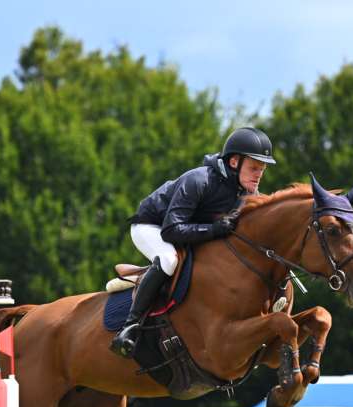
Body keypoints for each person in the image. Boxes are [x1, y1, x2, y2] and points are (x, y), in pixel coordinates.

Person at [110, 126, 276, 358]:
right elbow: (171, 231)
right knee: (169, 260)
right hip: (152, 226)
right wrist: (214, 229)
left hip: (186, 229)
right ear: (234, 162)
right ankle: (130, 326)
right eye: (254, 167)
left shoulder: (247, 193)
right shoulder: (198, 180)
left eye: (263, 169)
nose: (259, 174)